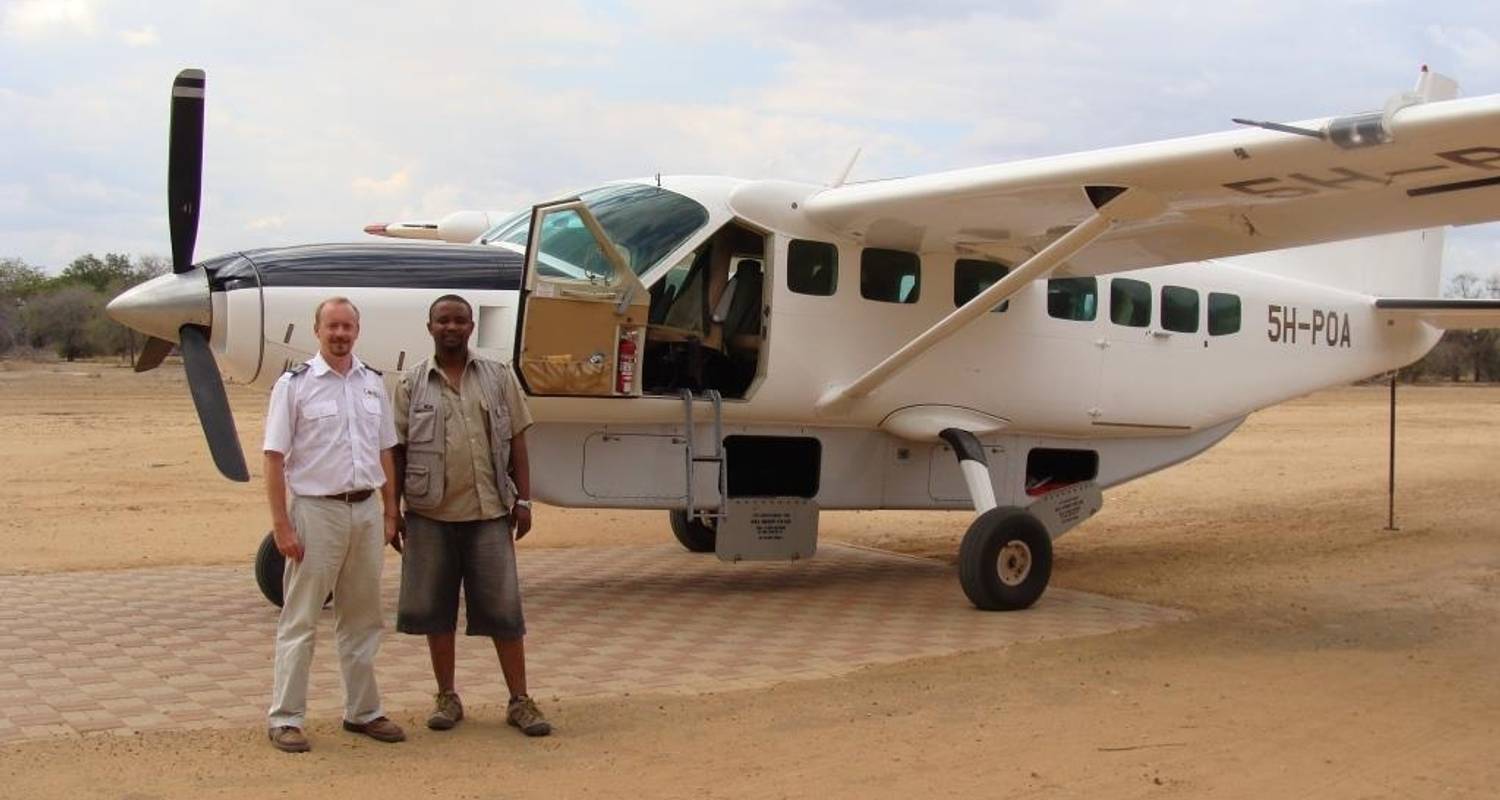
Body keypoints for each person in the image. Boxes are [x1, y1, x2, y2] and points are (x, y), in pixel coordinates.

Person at [393, 294, 551, 737]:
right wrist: (393, 511)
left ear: (471, 327)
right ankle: (447, 696)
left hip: (488, 512)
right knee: (434, 612)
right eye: (443, 320)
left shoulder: (498, 378)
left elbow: (518, 440)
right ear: (430, 328)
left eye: (460, 320)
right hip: (429, 515)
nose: (452, 327)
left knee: (505, 612)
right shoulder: (410, 384)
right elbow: (396, 450)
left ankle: (520, 700)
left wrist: (524, 500)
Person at [263, 296, 405, 753]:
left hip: (365, 511)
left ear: (357, 331)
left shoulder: (371, 383)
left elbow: (386, 448)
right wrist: (281, 525)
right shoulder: (295, 384)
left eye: (347, 326)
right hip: (316, 512)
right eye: (332, 327)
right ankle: (286, 718)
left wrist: (389, 509)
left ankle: (363, 712)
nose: (340, 334)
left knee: (363, 617)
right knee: (301, 617)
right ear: (317, 331)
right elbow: (273, 457)